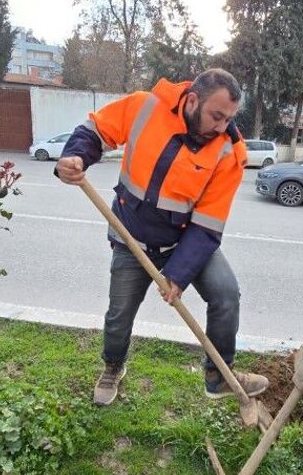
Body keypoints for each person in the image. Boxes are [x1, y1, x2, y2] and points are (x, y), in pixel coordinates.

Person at [55, 68, 269, 406]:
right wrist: (75, 156)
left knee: (226, 293)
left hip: (185, 242)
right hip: (131, 237)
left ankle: (218, 375)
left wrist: (178, 275)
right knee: (119, 313)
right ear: (193, 100)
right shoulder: (145, 107)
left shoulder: (229, 152)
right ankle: (113, 366)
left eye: (229, 118)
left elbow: (208, 225)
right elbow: (96, 129)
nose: (222, 126)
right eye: (216, 116)